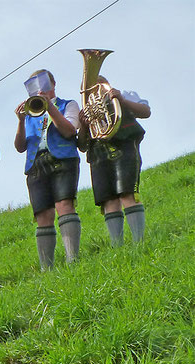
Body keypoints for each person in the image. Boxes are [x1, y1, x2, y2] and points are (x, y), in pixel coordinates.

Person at [14, 69, 81, 270]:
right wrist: (20, 121)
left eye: (44, 84)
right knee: (42, 215)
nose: (41, 90)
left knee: (64, 205)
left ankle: (72, 259)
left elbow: (69, 131)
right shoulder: (30, 114)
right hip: (36, 164)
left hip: (62, 158)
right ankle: (47, 268)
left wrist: (50, 107)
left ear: (53, 85)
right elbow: (19, 146)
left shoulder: (67, 104)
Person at [78, 76, 151, 246]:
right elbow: (81, 145)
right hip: (99, 156)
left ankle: (138, 241)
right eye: (88, 90)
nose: (93, 92)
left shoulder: (123, 95)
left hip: (124, 148)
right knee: (108, 199)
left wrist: (121, 100)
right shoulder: (88, 109)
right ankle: (117, 245)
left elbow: (145, 111)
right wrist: (83, 125)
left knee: (127, 193)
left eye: (95, 87)